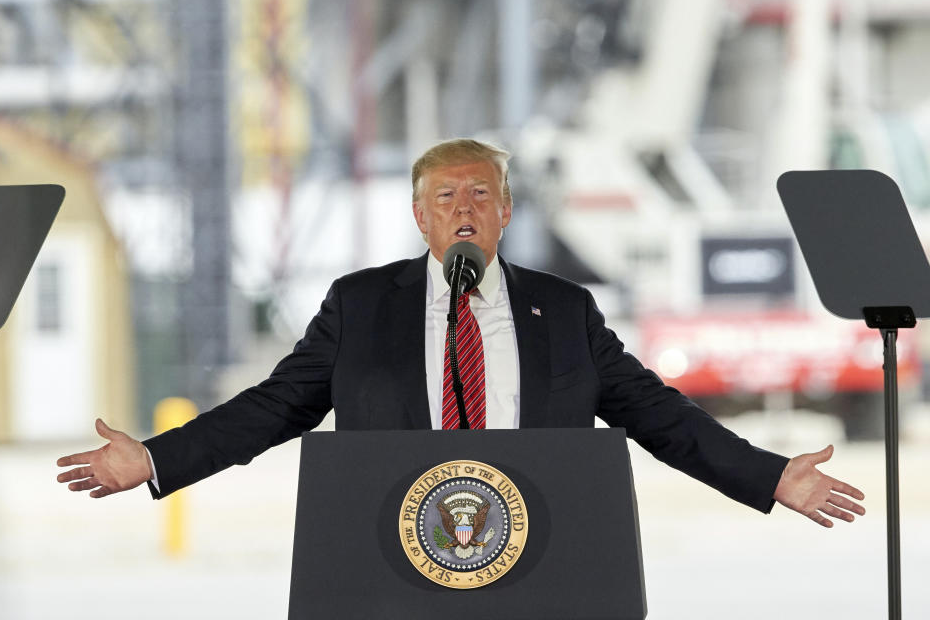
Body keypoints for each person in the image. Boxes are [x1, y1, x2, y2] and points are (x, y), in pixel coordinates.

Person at [57, 138, 864, 528]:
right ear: (419, 216)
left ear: (507, 212)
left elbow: (660, 416)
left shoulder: (566, 311)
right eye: (446, 197)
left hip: (541, 555)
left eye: (482, 194)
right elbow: (273, 408)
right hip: (395, 559)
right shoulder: (360, 305)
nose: (465, 208)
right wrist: (157, 459)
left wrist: (768, 476)